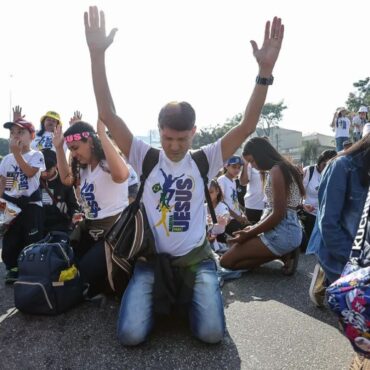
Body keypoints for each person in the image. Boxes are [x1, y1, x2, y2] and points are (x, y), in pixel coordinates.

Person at [84, 6, 284, 345]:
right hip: (151, 261)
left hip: (197, 260)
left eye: (182, 138)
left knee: (210, 334)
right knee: (130, 336)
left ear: (194, 132)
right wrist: (96, 54)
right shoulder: (143, 156)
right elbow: (108, 114)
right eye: (168, 138)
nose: (175, 146)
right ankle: (171, 300)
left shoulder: (203, 159)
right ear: (159, 132)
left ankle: (191, 297)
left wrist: (265, 72)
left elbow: (247, 124)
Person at [53, 119, 129, 297]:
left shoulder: (107, 163)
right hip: (91, 230)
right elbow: (66, 179)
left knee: (83, 273)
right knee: (68, 264)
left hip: (114, 233)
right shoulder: (84, 169)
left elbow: (121, 175)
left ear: (91, 142)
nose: (74, 153)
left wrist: (102, 135)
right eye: (71, 149)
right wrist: (58, 148)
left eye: (76, 148)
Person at [220, 137, 304, 275]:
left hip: (282, 231)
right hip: (285, 228)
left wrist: (248, 234)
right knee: (236, 253)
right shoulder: (280, 167)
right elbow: (273, 212)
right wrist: (252, 229)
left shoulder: (277, 170)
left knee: (226, 262)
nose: (252, 166)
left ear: (261, 154)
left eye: (252, 161)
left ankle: (283, 253)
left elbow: (278, 214)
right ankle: (284, 253)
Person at [307, 135, 369, 307]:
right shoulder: (342, 166)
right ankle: (327, 274)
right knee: (358, 315)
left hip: (365, 249)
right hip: (340, 249)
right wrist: (355, 264)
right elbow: (328, 225)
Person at [0, 119, 45, 283]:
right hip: (10, 204)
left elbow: (30, 173)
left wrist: (17, 154)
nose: (15, 136)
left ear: (32, 136)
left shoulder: (36, 155)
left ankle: (31, 268)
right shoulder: (6, 159)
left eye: (21, 132)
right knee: (10, 238)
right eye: (12, 133)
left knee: (32, 237)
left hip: (31, 204)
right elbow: (4, 183)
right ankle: (12, 268)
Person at [299, 149, 337, 252]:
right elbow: (299, 192)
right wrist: (303, 205)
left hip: (323, 214)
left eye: (330, 165)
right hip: (307, 211)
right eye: (325, 164)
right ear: (320, 161)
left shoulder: (333, 173)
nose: (326, 168)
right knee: (307, 246)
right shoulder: (309, 171)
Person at [40, 148, 80, 235]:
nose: (44, 174)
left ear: (56, 166)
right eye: (41, 170)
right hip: (38, 228)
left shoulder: (65, 181)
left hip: (61, 228)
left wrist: (75, 215)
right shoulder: (33, 180)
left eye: (48, 170)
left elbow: (74, 206)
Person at [217, 156, 248, 235]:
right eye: (234, 167)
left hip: (237, 217)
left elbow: (234, 200)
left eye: (239, 167)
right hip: (229, 219)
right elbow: (221, 201)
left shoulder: (233, 181)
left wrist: (243, 211)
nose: (237, 170)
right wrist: (237, 217)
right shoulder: (222, 180)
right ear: (226, 166)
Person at [207, 179, 230, 251]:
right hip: (206, 239)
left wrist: (223, 220)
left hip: (219, 239)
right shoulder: (202, 207)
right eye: (205, 193)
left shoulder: (222, 206)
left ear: (217, 191)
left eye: (211, 192)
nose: (208, 195)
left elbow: (226, 218)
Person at [239, 159, 266, 224]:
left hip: (268, 206)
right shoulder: (250, 163)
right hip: (252, 206)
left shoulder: (270, 162)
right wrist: (246, 164)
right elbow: (243, 182)